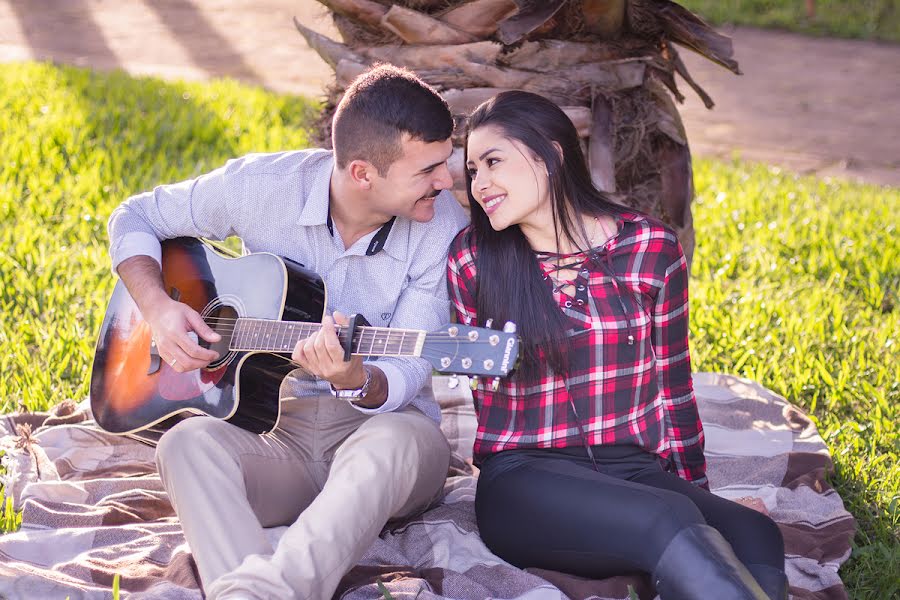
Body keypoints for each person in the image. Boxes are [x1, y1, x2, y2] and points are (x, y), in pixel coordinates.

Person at [107, 64, 468, 600]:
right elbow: (135, 217)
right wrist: (160, 310)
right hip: (277, 432)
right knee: (186, 445)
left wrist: (354, 377)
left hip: (388, 438)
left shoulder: (443, 226)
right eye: (429, 170)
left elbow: (410, 368)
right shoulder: (261, 187)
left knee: (393, 441)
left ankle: (260, 592)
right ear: (364, 173)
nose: (447, 181)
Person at [447, 90, 787, 600]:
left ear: (551, 155)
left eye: (493, 161)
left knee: (755, 532)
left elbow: (674, 385)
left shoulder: (650, 248)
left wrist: (700, 495)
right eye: (472, 170)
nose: (479, 184)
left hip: (631, 468)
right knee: (665, 517)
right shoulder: (474, 259)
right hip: (524, 478)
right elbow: (479, 383)